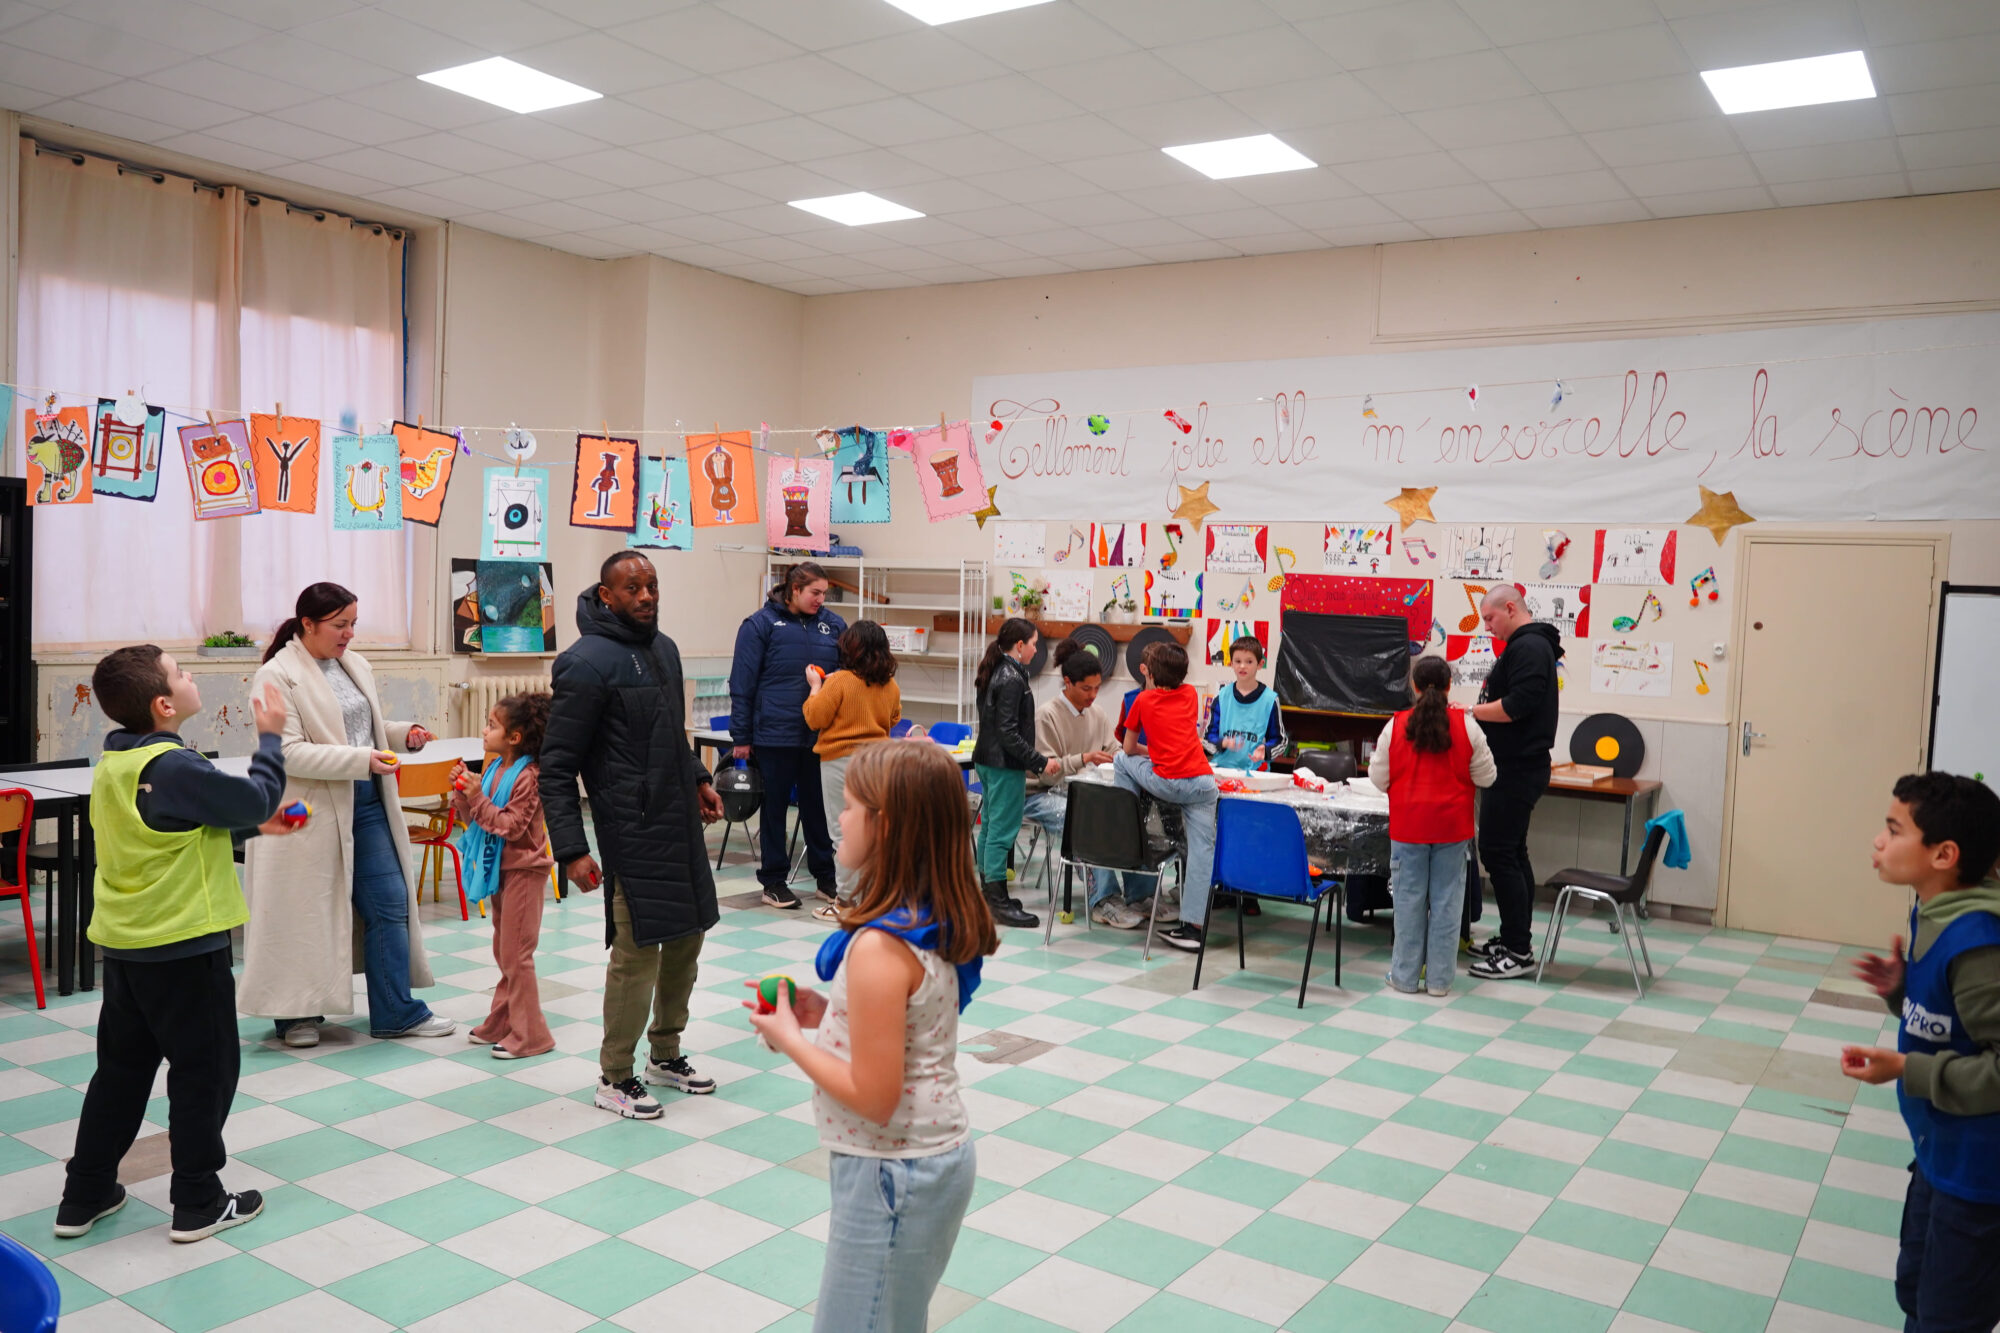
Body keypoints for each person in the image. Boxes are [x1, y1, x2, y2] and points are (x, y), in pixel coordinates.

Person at [744, 740, 995, 1333]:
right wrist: (826, 1013)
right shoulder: (921, 920)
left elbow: (875, 1097)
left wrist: (791, 1039)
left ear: (887, 826)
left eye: (852, 807)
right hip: (921, 1162)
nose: (840, 816)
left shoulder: (879, 948)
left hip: (894, 1169)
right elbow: (910, 1026)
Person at [55, 648, 297, 1245]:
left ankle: (84, 1193)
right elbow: (259, 796)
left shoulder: (116, 762)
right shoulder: (177, 765)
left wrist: (251, 824)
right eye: (181, 673)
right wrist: (270, 737)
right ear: (164, 705)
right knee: (203, 1073)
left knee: (120, 1072)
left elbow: (169, 827)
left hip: (127, 946)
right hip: (185, 946)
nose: (191, 677)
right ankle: (198, 1200)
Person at [543, 552, 726, 1119]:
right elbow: (556, 767)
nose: (646, 596)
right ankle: (615, 1075)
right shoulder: (584, 663)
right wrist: (571, 849)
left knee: (688, 941)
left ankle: (665, 1054)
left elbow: (671, 733)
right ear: (606, 595)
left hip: (680, 826)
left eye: (652, 585)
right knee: (638, 952)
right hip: (632, 831)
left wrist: (698, 778)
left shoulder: (664, 649)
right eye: (633, 588)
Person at [240, 583, 450, 1046]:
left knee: (390, 903)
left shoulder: (352, 664)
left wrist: (402, 733)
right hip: (308, 811)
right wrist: (362, 759)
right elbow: (287, 752)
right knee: (305, 913)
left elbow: (360, 728)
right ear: (307, 624)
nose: (349, 633)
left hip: (366, 802)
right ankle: (295, 1016)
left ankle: (396, 1012)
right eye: (340, 625)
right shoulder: (276, 675)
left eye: (353, 623)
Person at [1840, 772, 2000, 1333]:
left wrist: (1908, 1069)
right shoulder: (1933, 909)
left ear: (1944, 855)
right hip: (1939, 1152)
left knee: (1949, 1317)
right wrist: (1902, 991)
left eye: (1894, 830)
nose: (1878, 841)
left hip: (1980, 1176)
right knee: (1917, 1288)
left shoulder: (1978, 942)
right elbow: (1951, 1023)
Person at [1370, 656, 1496, 997]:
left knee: (1408, 902)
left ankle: (1404, 977)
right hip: (1453, 829)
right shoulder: (1467, 726)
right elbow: (1487, 776)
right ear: (1449, 686)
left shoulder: (1395, 725)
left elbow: (1378, 778)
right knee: (1447, 904)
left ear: (1413, 686)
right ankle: (1440, 981)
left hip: (1408, 827)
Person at [730, 561, 845, 910]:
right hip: (773, 735)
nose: (820, 599)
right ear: (794, 590)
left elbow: (845, 677)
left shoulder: (833, 625)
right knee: (775, 810)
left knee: (818, 810)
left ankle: (826, 879)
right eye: (815, 592)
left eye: (824, 593)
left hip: (819, 735)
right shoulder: (759, 625)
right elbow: (742, 683)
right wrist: (741, 736)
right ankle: (774, 881)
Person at [1023, 640, 1157, 929]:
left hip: (1082, 789)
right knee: (1086, 821)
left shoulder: (1096, 713)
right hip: (1040, 794)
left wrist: (1126, 757)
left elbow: (1114, 748)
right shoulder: (1046, 715)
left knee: (1128, 813)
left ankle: (1140, 895)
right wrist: (1084, 758)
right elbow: (1045, 773)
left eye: (1097, 688)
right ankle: (1103, 900)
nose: (1093, 695)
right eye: (1086, 689)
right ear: (1067, 682)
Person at [1466, 583, 1563, 980]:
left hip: (1517, 768)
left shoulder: (1529, 647)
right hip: (1514, 765)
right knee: (1512, 852)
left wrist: (1470, 712)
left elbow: (1517, 705)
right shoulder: (1527, 645)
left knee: (1498, 852)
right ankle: (1513, 938)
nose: (1487, 626)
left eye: (1489, 618)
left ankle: (1518, 952)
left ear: (1510, 608)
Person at [452, 692, 556, 1060]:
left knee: (516, 954)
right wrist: (463, 794)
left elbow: (510, 827)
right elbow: (479, 820)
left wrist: (476, 796)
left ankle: (533, 1035)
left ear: (514, 737)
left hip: (525, 872)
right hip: (502, 868)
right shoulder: (495, 767)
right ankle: (503, 1020)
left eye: (492, 725)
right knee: (504, 950)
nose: (485, 730)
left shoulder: (529, 776)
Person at [1115, 641, 1218, 953]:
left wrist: (1152, 752)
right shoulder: (1190, 694)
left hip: (1169, 783)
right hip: (1203, 784)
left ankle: (1125, 819)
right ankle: (1193, 929)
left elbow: (1128, 748)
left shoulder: (1142, 701)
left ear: (1150, 673)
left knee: (1120, 759)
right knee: (1201, 853)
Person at [801, 620, 901, 918]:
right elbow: (894, 718)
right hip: (878, 763)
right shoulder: (890, 685)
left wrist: (816, 687)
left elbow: (815, 718)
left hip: (840, 762)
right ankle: (873, 898)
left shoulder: (840, 681)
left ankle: (845, 902)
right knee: (872, 833)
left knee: (843, 834)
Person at [971, 617, 1057, 929]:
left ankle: (988, 893)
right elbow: (1008, 732)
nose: (1036, 649)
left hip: (988, 760)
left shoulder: (997, 669)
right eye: (1034, 644)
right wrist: (1039, 762)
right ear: (1019, 645)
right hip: (1003, 764)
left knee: (990, 827)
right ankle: (997, 900)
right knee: (1002, 831)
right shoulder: (1011, 678)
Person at [1207, 634, 1285, 772]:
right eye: (1237, 661)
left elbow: (1280, 741)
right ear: (1231, 663)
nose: (1242, 666)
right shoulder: (1221, 697)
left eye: (1249, 661)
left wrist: (1266, 750)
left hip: (1255, 772)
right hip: (1223, 770)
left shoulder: (1270, 700)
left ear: (1260, 664)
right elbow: (1208, 738)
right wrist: (1222, 743)